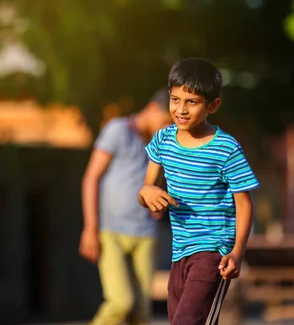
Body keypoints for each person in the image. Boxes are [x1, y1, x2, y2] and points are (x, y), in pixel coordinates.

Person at [138, 58, 260, 325]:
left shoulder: (226, 148)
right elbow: (147, 189)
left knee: (186, 322)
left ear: (212, 105)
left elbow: (244, 203)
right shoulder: (162, 140)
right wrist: (148, 194)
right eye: (175, 99)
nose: (181, 109)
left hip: (214, 252)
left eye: (191, 102)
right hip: (180, 252)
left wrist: (237, 252)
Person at [79, 90, 172, 325]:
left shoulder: (160, 143)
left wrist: (158, 204)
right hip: (112, 232)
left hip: (145, 235)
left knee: (141, 311)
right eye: (164, 123)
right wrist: (90, 227)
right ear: (152, 109)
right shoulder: (118, 130)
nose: (165, 129)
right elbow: (91, 178)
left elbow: (157, 184)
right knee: (121, 302)